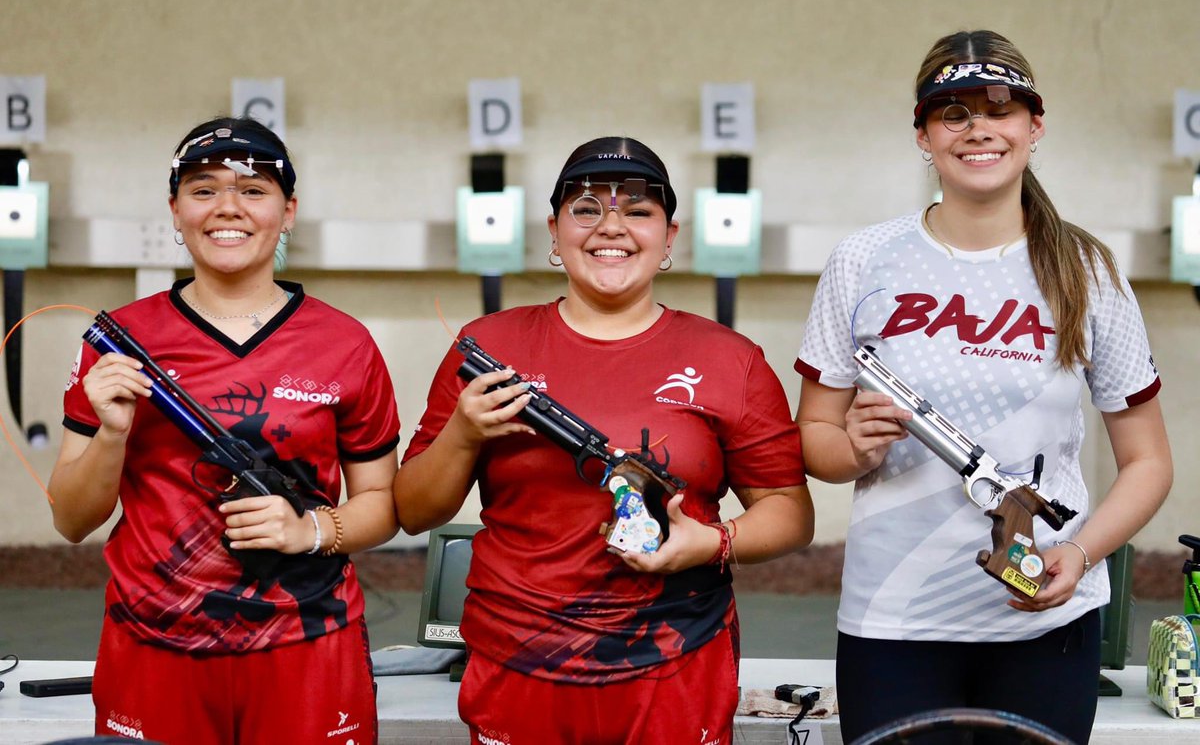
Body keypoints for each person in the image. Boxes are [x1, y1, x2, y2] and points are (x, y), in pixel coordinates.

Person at [794, 30, 1173, 743]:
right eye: (954, 114)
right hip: (895, 620)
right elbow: (814, 437)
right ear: (923, 135)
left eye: (1000, 110)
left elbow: (1149, 462)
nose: (978, 130)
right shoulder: (863, 259)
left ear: (1035, 126)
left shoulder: (1088, 270)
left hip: (1046, 622)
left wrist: (1080, 554)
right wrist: (853, 449)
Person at [395, 136, 814, 744]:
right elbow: (413, 512)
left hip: (674, 656)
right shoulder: (491, 346)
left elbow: (788, 512)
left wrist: (714, 542)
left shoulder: (730, 359)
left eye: (638, 211)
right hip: (519, 656)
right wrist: (462, 433)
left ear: (669, 237)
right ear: (554, 231)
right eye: (586, 209)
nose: (610, 226)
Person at [47, 117, 401, 744]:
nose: (227, 208)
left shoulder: (345, 343)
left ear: (288, 213)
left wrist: (311, 530)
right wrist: (111, 435)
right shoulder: (121, 342)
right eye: (204, 189)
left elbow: (383, 504)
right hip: (156, 643)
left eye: (254, 190)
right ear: (175, 211)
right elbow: (71, 520)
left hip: (306, 643)